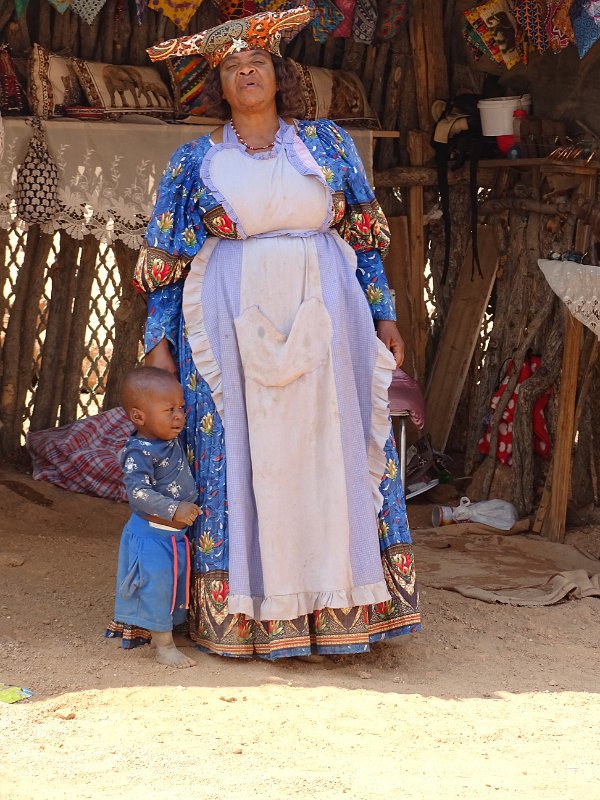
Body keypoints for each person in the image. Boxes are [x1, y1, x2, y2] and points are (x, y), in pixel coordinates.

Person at [107, 5, 421, 660]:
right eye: (231, 67)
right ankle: (246, 619)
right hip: (229, 324)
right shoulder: (195, 161)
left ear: (280, 76)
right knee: (245, 458)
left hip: (328, 319)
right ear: (218, 87)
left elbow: (365, 238)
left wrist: (385, 313)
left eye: (257, 62)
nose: (246, 73)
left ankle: (341, 607)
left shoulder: (328, 144)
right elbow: (165, 264)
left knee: (331, 450)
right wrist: (159, 343)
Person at [109, 366, 200, 667]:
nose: (179, 416)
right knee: (156, 588)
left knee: (173, 586)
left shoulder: (166, 439)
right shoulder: (138, 452)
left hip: (173, 537)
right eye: (169, 410)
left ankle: (168, 635)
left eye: (181, 408)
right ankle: (164, 648)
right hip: (150, 536)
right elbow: (137, 494)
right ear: (138, 417)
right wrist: (174, 508)